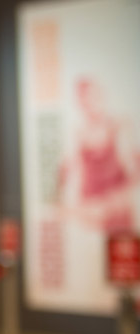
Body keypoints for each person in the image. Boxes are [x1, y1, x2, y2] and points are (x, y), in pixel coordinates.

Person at [59, 77, 140, 233]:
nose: (88, 104)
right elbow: (70, 174)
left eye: (91, 97)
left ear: (101, 96)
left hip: (118, 212)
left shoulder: (119, 126)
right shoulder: (78, 133)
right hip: (90, 215)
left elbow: (136, 171)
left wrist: (112, 201)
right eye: (83, 100)